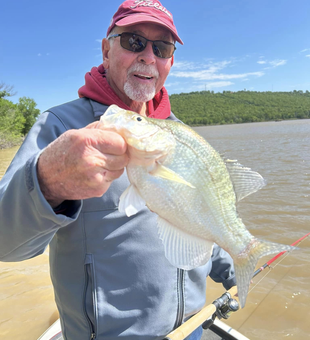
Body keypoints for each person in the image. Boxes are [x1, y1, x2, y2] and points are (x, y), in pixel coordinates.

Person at [0, 1, 236, 339]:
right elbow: (4, 244)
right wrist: (47, 181)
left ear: (170, 61)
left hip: (191, 329)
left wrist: (231, 264)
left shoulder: (182, 136)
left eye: (162, 47)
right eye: (134, 42)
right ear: (106, 49)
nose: (148, 56)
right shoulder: (61, 127)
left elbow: (195, 217)